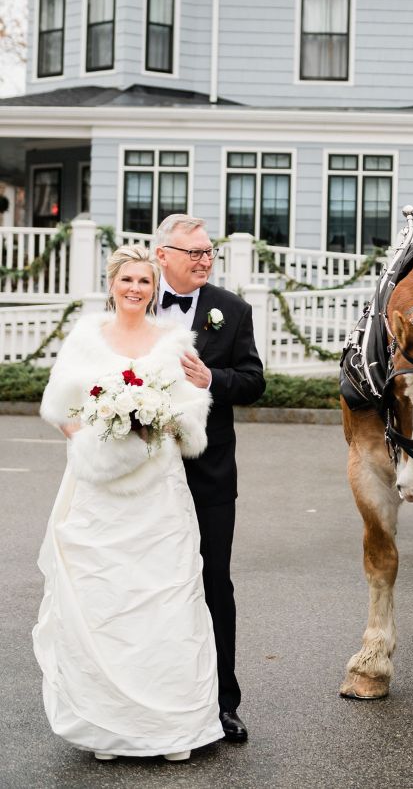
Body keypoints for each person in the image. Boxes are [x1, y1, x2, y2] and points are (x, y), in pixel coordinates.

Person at [33, 245, 223, 762]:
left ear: (154, 287)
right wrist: (89, 441)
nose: (136, 288)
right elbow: (57, 405)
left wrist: (157, 423)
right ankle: (109, 728)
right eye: (127, 280)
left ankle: (171, 730)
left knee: (163, 597)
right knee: (104, 597)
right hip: (97, 487)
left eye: (145, 281)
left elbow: (193, 413)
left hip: (157, 488)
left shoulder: (173, 342)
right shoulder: (85, 338)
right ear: (112, 283)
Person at [155, 214, 266, 743]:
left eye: (208, 252)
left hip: (210, 472)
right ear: (163, 255)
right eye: (194, 252)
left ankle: (224, 701)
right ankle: (154, 694)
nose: (204, 260)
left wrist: (212, 378)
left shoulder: (233, 309)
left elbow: (253, 381)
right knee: (147, 581)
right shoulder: (132, 302)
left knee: (213, 581)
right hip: (143, 473)